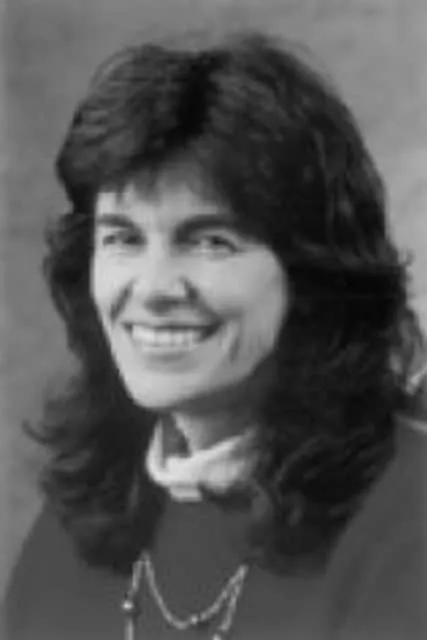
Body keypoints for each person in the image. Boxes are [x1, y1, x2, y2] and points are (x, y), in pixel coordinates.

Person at [3, 28, 427, 640]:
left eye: (209, 241)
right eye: (123, 238)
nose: (153, 288)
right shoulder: (76, 523)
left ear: (313, 275)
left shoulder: (407, 521)